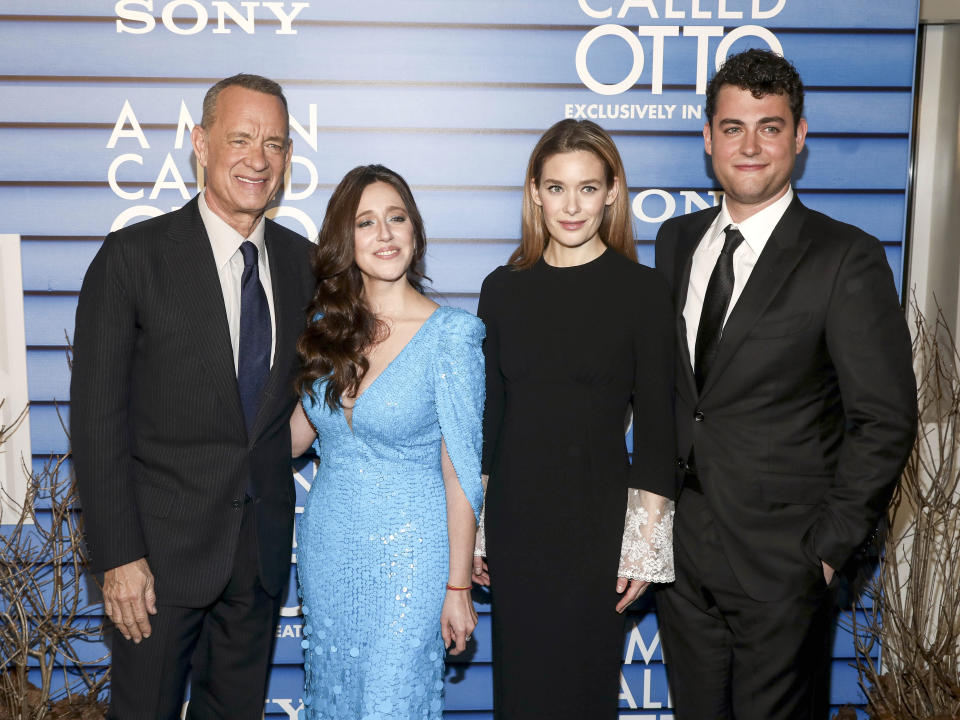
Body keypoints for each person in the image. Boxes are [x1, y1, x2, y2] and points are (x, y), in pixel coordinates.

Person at [653, 48, 918, 719]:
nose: (749, 146)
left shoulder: (843, 257)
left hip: (784, 566)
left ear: (798, 138)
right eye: (733, 127)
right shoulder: (676, 241)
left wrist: (824, 555)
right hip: (683, 563)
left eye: (769, 127)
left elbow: (884, 419)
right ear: (708, 137)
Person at [71, 74, 315, 719]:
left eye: (275, 143)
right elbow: (97, 423)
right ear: (201, 144)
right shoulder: (132, 258)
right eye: (240, 139)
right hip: (155, 562)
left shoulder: (306, 265)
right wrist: (120, 558)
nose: (257, 158)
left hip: (257, 560)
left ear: (289, 158)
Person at [474, 119, 677, 719]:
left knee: (585, 697)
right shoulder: (502, 290)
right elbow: (491, 420)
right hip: (516, 528)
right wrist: (478, 531)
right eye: (557, 187)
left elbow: (660, 428)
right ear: (535, 192)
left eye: (588, 188)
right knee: (520, 694)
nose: (572, 205)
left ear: (612, 193)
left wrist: (643, 547)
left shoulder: (642, 292)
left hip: (597, 528)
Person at [289, 164, 485, 720]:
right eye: (366, 222)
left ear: (415, 232)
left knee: (388, 704)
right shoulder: (329, 327)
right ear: (345, 242)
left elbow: (461, 471)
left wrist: (457, 585)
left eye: (396, 218)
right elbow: (296, 440)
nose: (385, 234)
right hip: (329, 551)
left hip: (412, 558)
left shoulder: (451, 335)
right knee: (336, 700)